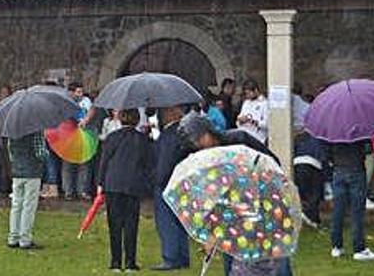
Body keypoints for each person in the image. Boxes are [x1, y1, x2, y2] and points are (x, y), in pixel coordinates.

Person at [177, 112, 293, 276]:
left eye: (199, 138)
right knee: (233, 256)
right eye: (193, 143)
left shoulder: (240, 139)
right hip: (232, 211)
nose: (198, 145)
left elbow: (271, 163)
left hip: (262, 202)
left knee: (275, 256)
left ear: (208, 131)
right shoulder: (205, 159)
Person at [97, 108, 153, 272]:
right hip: (132, 185)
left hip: (113, 183)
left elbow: (104, 161)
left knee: (114, 224)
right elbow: (148, 164)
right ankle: (130, 262)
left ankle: (115, 262)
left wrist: (101, 183)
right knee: (131, 224)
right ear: (137, 120)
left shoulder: (112, 137)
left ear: (120, 119)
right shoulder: (142, 140)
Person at [150, 106, 191, 271]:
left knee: (166, 222)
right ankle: (182, 256)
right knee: (179, 221)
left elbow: (164, 163)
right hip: (179, 183)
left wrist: (157, 181)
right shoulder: (181, 133)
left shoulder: (169, 135)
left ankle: (170, 257)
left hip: (166, 184)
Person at [327, 139, 374, 261]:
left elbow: (327, 154)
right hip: (356, 170)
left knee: (338, 211)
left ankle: (336, 247)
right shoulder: (359, 133)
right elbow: (368, 151)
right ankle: (359, 248)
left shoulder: (334, 134)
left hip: (339, 171)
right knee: (357, 212)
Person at [7, 130, 48, 250]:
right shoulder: (36, 130)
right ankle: (25, 239)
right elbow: (41, 153)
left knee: (16, 204)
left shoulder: (12, 130)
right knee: (29, 206)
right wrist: (47, 154)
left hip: (17, 171)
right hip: (32, 172)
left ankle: (13, 237)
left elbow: (10, 153)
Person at [293, 125, 325, 227]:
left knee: (303, 193)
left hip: (297, 164)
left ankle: (305, 214)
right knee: (314, 194)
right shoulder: (321, 137)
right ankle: (313, 218)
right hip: (314, 165)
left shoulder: (300, 136)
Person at [237, 80, 268, 144]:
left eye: (249, 93)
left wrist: (253, 121)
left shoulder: (265, 104)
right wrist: (241, 120)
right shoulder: (246, 103)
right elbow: (239, 119)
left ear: (256, 90)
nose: (247, 96)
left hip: (257, 138)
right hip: (244, 136)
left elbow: (267, 124)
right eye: (246, 94)